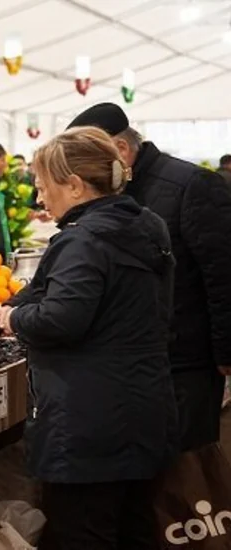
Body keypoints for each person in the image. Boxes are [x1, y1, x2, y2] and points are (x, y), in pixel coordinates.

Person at [0, 126, 177, 550]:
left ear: (73, 186)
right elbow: (56, 291)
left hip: (90, 426)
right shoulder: (147, 225)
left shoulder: (84, 239)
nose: (39, 198)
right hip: (145, 411)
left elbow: (61, 318)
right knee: (134, 529)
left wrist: (15, 320)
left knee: (81, 533)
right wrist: (14, 305)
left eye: (42, 186)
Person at [68, 102, 231, 452]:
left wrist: (225, 352)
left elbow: (222, 273)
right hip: (136, 359)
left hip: (186, 359)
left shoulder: (191, 185)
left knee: (186, 473)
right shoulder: (114, 193)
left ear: (122, 149)